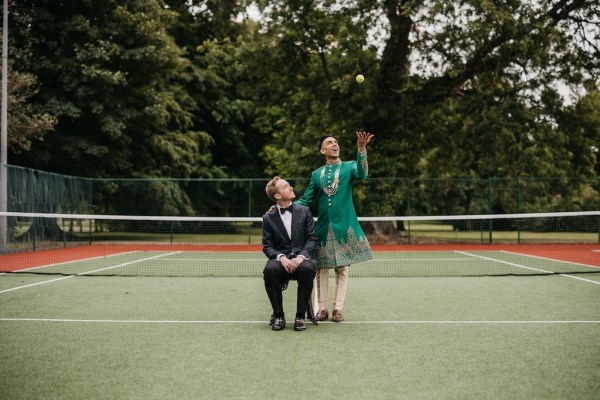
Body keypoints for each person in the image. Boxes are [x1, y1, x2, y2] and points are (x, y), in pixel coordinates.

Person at [295, 131, 374, 322]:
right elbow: (306, 199)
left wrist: (361, 149)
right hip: (322, 228)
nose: (334, 144)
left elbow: (363, 174)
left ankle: (338, 309)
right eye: (329, 142)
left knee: (342, 269)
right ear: (323, 150)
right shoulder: (316, 175)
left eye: (336, 142)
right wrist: (286, 207)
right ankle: (322, 309)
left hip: (344, 227)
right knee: (321, 268)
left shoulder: (349, 167)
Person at [262, 176, 318, 331]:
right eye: (286, 186)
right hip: (281, 260)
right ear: (277, 196)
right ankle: (278, 315)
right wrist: (281, 258)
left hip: (303, 258)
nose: (291, 187)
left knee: (307, 268)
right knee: (270, 269)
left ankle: (300, 316)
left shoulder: (305, 211)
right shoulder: (268, 218)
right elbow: (267, 246)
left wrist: (301, 257)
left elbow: (313, 238)